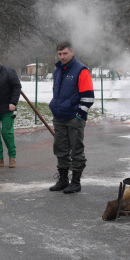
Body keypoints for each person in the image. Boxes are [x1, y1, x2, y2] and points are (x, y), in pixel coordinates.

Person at [48, 41, 94, 194]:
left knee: (76, 150)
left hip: (74, 118)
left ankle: (75, 182)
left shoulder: (81, 70)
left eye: (65, 53)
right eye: (60, 54)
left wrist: (80, 115)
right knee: (60, 149)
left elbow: (88, 96)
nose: (62, 57)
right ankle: (62, 180)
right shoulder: (57, 70)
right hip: (59, 116)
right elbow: (56, 92)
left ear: (72, 52)